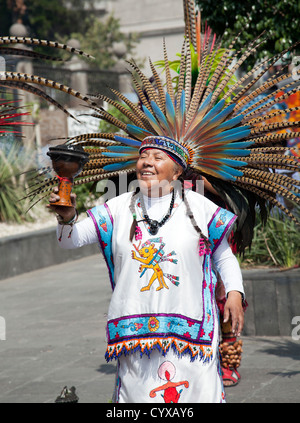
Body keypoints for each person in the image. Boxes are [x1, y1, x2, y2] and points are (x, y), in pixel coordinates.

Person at [48, 135, 245, 403]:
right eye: (143, 157)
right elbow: (69, 241)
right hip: (136, 331)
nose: (147, 163)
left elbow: (224, 257)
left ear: (177, 171)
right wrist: (67, 217)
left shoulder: (200, 207)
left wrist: (234, 292)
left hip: (193, 330)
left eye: (157, 158)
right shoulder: (117, 207)